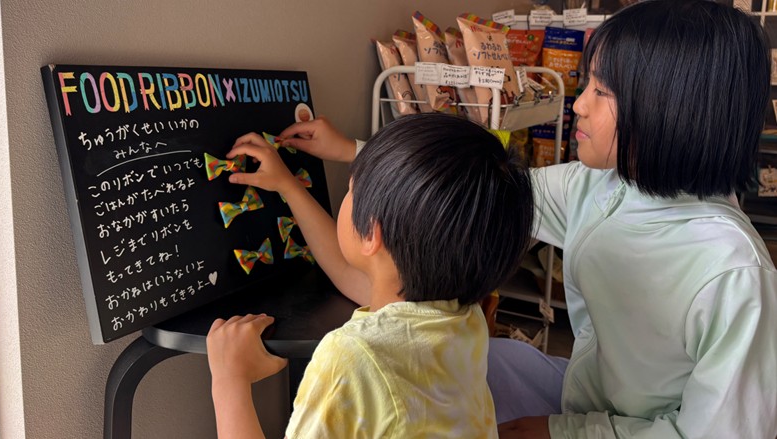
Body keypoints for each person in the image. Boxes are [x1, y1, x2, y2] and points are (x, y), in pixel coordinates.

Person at [276, 2, 777, 437]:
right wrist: (350, 151)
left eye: (601, 92)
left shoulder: (734, 274)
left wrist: (568, 432)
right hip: (585, 393)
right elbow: (463, 193)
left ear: (670, 109)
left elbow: (724, 430)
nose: (578, 105)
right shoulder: (600, 184)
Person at [206, 113, 535, 438]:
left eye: (350, 189)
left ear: (371, 234)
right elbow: (347, 270)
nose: (347, 197)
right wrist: (288, 187)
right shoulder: (463, 319)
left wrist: (229, 381)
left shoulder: (351, 357)